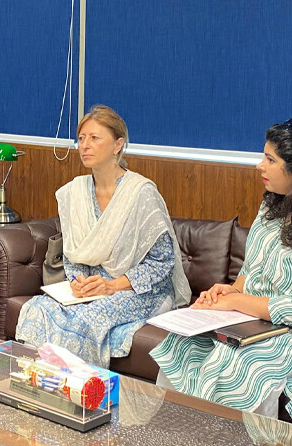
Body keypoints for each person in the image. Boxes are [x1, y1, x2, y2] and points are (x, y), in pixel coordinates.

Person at [150, 119, 292, 429]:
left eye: (270, 159)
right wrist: (230, 291)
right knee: (185, 345)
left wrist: (236, 304)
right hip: (268, 321)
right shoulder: (272, 209)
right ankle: (172, 434)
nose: (259, 166)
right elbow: (251, 271)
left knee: (245, 363)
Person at [15, 105, 191, 367]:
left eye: (95, 138)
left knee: (88, 319)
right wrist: (78, 281)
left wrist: (113, 285)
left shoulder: (140, 193)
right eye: (82, 138)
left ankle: (82, 394)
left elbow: (162, 263)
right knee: (38, 308)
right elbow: (74, 253)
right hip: (93, 290)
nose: (85, 145)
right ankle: (36, 382)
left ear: (118, 145)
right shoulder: (75, 192)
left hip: (139, 290)